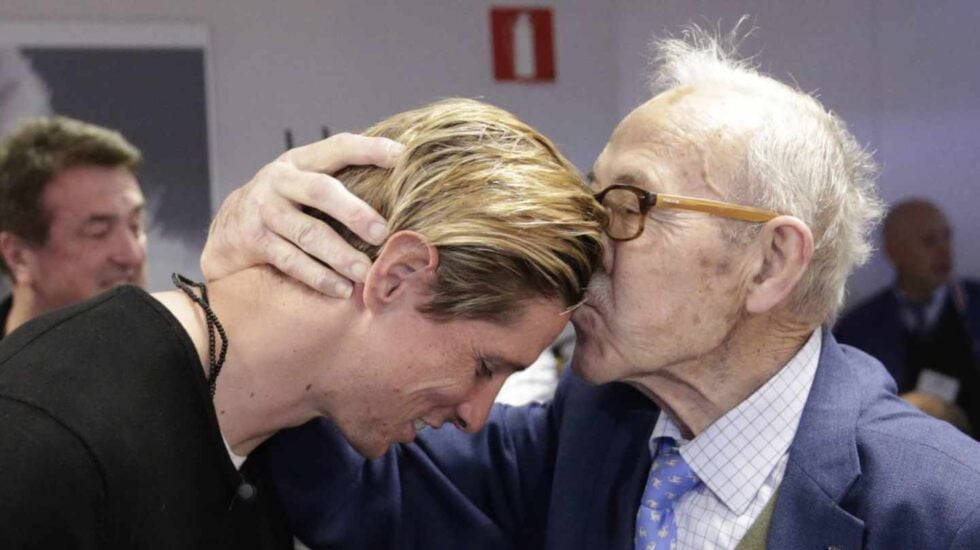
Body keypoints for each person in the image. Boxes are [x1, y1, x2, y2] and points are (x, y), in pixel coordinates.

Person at [230, 28, 980, 549]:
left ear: (770, 263)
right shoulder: (595, 430)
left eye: (629, 206)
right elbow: (370, 474)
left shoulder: (941, 510)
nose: (588, 244)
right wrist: (267, 281)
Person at [0, 98, 603, 548]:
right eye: (484, 365)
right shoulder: (44, 439)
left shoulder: (277, 444)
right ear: (397, 274)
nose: (475, 416)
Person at [836, 199, 980, 433]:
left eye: (947, 237)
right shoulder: (858, 329)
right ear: (894, 252)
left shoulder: (974, 306)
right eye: (929, 241)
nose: (945, 251)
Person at [0, 116, 148, 336]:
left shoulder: (190, 365)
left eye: (135, 226)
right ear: (18, 256)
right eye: (99, 233)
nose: (132, 255)